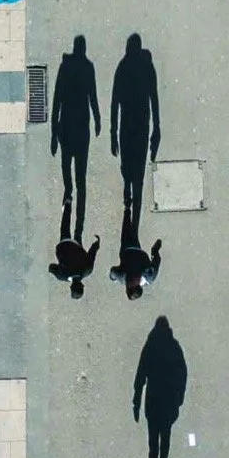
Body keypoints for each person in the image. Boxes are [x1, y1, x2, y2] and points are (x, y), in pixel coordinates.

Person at [133, 316, 188, 458]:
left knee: (152, 446)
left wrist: (136, 401)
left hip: (153, 402)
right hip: (168, 403)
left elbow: (141, 374)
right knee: (165, 439)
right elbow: (182, 374)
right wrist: (179, 399)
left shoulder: (151, 346)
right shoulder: (174, 347)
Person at [50, 35, 101, 241]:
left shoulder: (66, 67)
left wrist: (54, 133)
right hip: (82, 126)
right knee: (81, 173)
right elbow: (93, 95)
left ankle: (68, 191)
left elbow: (57, 99)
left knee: (65, 161)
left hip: (66, 125)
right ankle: (78, 230)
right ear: (84, 48)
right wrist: (97, 118)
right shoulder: (88, 67)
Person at [111, 34, 161, 236]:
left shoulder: (124, 67)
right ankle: (128, 189)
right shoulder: (140, 68)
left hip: (131, 126)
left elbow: (115, 103)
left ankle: (134, 225)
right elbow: (154, 99)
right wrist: (157, 128)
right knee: (130, 166)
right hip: (139, 125)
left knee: (135, 168)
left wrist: (113, 132)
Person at [109, 207, 163, 298]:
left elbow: (113, 271)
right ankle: (129, 208)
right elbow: (157, 261)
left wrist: (113, 277)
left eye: (126, 287)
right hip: (132, 251)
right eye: (129, 286)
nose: (127, 284)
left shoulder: (124, 277)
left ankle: (128, 209)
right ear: (136, 285)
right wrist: (155, 251)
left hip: (130, 250)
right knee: (130, 228)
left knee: (127, 225)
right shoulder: (148, 277)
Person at [49, 204, 99, 298]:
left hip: (77, 246)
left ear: (82, 285)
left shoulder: (87, 270)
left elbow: (92, 254)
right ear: (71, 287)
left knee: (78, 232)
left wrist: (96, 244)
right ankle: (67, 205)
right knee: (65, 228)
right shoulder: (62, 276)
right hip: (64, 245)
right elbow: (51, 267)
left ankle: (79, 209)